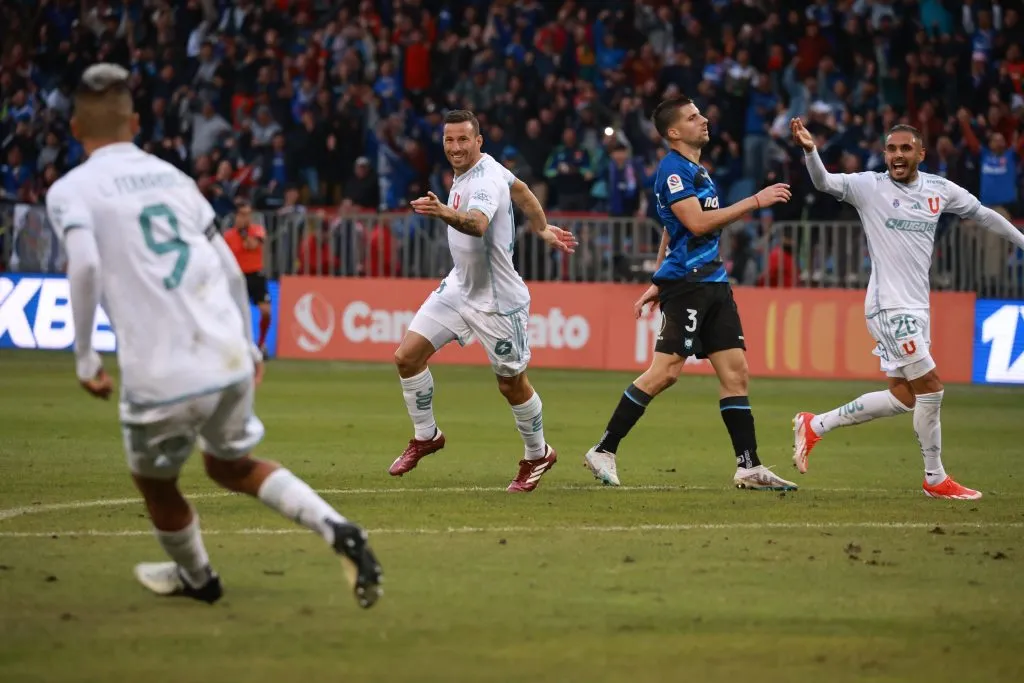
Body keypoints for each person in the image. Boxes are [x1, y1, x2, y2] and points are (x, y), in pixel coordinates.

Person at [48, 64, 383, 607]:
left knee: (157, 484)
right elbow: (228, 266)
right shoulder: (175, 179)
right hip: (226, 354)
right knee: (231, 465)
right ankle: (339, 528)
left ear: (73, 129)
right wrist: (250, 345)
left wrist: (86, 358)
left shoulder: (70, 189)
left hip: (161, 372)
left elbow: (83, 266)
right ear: (134, 123)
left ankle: (199, 578)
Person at [791, 118, 1024, 499]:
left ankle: (815, 424)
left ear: (920, 153)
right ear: (884, 154)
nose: (897, 156)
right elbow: (824, 182)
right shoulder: (869, 186)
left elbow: (983, 214)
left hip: (917, 307)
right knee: (932, 387)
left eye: (905, 149)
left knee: (904, 397)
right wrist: (810, 151)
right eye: (891, 149)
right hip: (889, 307)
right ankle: (935, 478)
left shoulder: (939, 189)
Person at [583, 96, 798, 491]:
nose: (704, 119)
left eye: (701, 112)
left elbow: (671, 229)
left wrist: (655, 280)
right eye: (693, 117)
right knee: (665, 372)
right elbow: (696, 224)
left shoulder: (698, 170)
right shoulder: (672, 171)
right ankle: (604, 449)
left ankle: (748, 466)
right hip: (689, 285)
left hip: (713, 282)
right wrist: (755, 200)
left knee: (736, 373)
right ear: (673, 132)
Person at [392, 109, 577, 492]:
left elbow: (477, 225)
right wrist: (541, 228)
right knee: (406, 357)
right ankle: (427, 436)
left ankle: (538, 453)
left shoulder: (484, 182)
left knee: (512, 385)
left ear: (479, 141)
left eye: (463, 139)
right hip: (460, 287)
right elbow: (523, 189)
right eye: (449, 140)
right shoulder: (491, 168)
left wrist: (444, 211)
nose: (455, 147)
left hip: (498, 300)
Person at [222, 199, 272, 355]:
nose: (246, 219)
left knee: (266, 312)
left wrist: (243, 232)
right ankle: (236, 345)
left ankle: (261, 343)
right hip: (237, 277)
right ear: (236, 216)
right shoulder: (228, 236)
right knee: (234, 315)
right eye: (243, 215)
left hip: (256, 275)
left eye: (248, 215)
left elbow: (252, 245)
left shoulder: (257, 230)